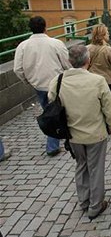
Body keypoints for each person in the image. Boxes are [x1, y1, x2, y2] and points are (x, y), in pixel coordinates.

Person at [48, 45, 111, 220]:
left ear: (69, 61)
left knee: (81, 166)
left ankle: (84, 200)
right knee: (96, 168)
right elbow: (109, 109)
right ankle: (96, 205)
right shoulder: (97, 80)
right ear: (88, 61)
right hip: (95, 132)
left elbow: (52, 101)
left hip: (72, 134)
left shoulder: (57, 81)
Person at [13, 16, 72, 157]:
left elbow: (17, 69)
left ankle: (57, 137)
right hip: (56, 83)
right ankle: (55, 143)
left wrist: (28, 80)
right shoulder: (56, 43)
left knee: (48, 110)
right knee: (58, 111)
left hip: (38, 85)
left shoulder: (23, 46)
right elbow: (67, 64)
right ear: (45, 27)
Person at [87, 25, 111, 96]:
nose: (108, 35)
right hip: (108, 81)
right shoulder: (109, 50)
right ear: (103, 36)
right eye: (107, 33)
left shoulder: (87, 49)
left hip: (92, 80)